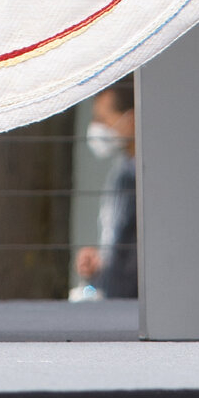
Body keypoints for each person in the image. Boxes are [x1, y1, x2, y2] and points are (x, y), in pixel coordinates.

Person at [73, 79, 138, 301]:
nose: (96, 128)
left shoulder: (148, 181)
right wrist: (100, 265)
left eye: (102, 120)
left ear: (131, 120)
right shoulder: (121, 173)